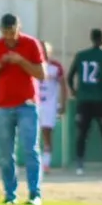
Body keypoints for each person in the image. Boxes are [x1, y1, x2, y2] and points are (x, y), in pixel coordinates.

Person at [0, 13, 47, 205]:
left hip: (27, 105)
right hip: (3, 106)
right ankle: (10, 194)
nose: (9, 37)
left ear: (19, 28)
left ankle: (35, 194)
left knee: (30, 150)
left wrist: (21, 61)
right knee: (6, 153)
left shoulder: (31, 44)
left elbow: (42, 74)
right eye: (5, 32)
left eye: (12, 32)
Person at [67, 28, 102, 175]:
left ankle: (80, 164)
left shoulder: (81, 55)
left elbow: (70, 77)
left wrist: (74, 91)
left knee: (82, 133)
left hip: (84, 100)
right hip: (101, 99)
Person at [38, 41, 67, 172]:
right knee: (33, 134)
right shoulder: (32, 65)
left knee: (47, 133)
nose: (43, 52)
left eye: (46, 50)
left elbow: (63, 86)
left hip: (49, 105)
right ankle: (35, 162)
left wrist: (63, 103)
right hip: (35, 104)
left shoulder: (56, 67)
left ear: (50, 52)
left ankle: (46, 163)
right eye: (41, 50)